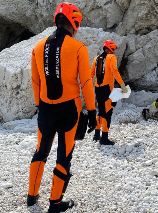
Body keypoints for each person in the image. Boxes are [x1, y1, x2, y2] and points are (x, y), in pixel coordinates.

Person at [27, 3, 97, 213]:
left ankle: (31, 197)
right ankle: (55, 203)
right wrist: (92, 112)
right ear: (74, 22)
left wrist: (41, 106)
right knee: (63, 156)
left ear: (56, 19)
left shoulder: (37, 47)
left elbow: (35, 82)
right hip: (69, 110)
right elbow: (86, 83)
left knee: (41, 152)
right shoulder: (78, 48)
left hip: (45, 109)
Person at [90, 40, 128, 145]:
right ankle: (104, 138)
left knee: (100, 111)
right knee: (108, 113)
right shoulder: (111, 57)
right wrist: (122, 85)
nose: (114, 51)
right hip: (107, 89)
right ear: (111, 48)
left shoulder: (96, 58)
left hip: (97, 88)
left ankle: (96, 135)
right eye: (114, 49)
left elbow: (91, 73)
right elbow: (114, 71)